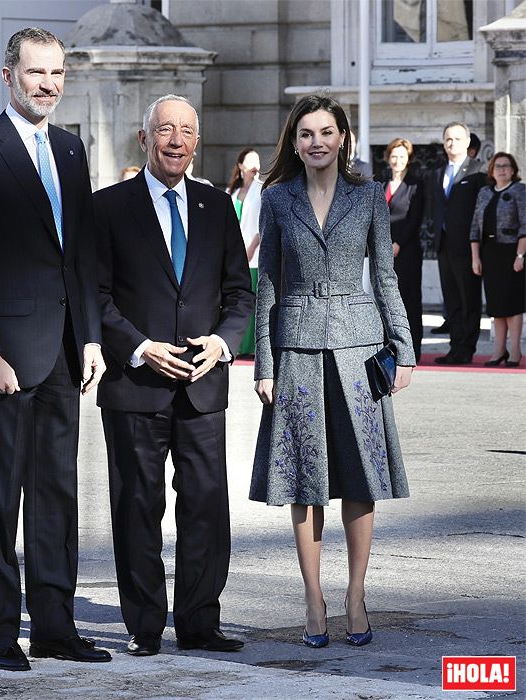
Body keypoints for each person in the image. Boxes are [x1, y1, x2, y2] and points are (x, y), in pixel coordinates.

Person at [0, 27, 111, 672]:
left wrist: (92, 336)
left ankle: (56, 628)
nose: (49, 84)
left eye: (58, 73)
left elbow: (81, 252)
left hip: (66, 354)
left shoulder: (70, 150)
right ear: (9, 76)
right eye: (37, 73)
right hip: (3, 360)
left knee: (57, 496)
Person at [250, 94, 414, 650]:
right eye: (304, 134)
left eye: (325, 132)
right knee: (304, 479)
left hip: (359, 349)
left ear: (342, 137)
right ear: (293, 143)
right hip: (295, 350)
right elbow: (267, 285)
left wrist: (405, 350)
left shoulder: (369, 196)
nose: (315, 142)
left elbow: (386, 279)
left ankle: (356, 594)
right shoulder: (276, 199)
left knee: (360, 478)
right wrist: (264, 365)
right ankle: (314, 598)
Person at [94, 94, 253, 657]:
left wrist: (221, 343)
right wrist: (138, 348)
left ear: (198, 140)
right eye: (165, 130)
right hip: (135, 384)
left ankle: (199, 622)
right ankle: (144, 625)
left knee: (207, 503)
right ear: (145, 139)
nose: (176, 140)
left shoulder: (216, 207)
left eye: (186, 130)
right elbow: (97, 296)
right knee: (137, 505)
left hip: (203, 385)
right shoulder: (108, 207)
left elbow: (240, 294)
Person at [428, 122, 487, 364]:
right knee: (451, 299)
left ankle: (466, 349)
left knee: (468, 299)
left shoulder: (478, 172)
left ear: (467, 142)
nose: (452, 143)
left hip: (468, 247)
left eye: (457, 139)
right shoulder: (437, 173)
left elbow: (481, 212)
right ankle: (454, 347)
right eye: (448, 139)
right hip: (444, 246)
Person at [470, 152, 525, 367]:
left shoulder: (520, 191)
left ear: (513, 170)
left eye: (506, 165)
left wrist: (520, 255)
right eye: (498, 166)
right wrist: (475, 257)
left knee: (512, 304)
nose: (502, 169)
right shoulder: (484, 193)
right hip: (489, 253)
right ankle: (498, 351)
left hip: (512, 252)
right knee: (496, 306)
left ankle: (514, 351)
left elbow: (525, 225)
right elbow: (474, 227)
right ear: (491, 170)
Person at [383, 137, 425, 363]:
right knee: (386, 301)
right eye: (394, 156)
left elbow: (415, 219)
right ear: (388, 158)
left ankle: (412, 349)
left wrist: (397, 243)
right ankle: (389, 348)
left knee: (409, 301)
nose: (397, 160)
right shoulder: (381, 185)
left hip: (407, 251)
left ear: (408, 159)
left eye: (402, 156)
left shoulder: (416, 185)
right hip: (383, 253)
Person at [226, 148, 262, 356]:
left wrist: (252, 247)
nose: (255, 166)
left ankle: (252, 347)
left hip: (253, 255)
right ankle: (237, 345)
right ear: (240, 166)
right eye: (250, 162)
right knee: (235, 298)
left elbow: (262, 224)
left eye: (257, 162)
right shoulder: (231, 192)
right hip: (233, 255)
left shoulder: (262, 189)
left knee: (253, 297)